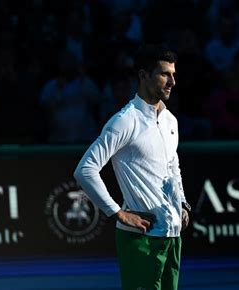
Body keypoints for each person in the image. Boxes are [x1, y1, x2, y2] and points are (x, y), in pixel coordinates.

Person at [74, 44, 191, 290]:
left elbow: (173, 164)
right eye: (164, 74)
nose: (171, 81)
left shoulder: (171, 120)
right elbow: (85, 169)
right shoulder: (124, 121)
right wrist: (118, 213)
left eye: (173, 75)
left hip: (172, 236)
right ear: (143, 75)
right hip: (141, 240)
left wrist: (181, 202)